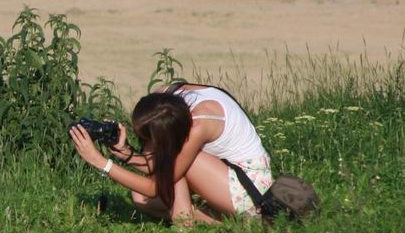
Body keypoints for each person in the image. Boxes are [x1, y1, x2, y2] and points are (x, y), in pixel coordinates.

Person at [70, 83, 272, 224]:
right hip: (222, 174)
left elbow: (156, 185)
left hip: (251, 188)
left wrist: (100, 162)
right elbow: (155, 169)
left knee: (173, 170)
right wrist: (125, 153)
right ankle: (219, 221)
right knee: (139, 196)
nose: (146, 145)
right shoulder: (168, 97)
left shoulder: (198, 126)